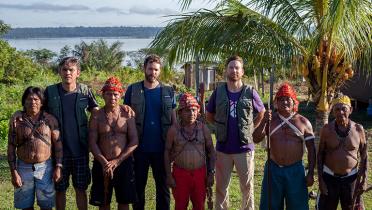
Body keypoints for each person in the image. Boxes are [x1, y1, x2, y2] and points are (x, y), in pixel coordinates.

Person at [206, 55, 265, 210]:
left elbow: (261, 112)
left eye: (237, 67)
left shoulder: (250, 91)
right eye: (231, 67)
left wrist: (251, 128)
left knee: (247, 187)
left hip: (244, 148)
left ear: (242, 71)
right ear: (226, 70)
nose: (234, 70)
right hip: (223, 148)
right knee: (221, 187)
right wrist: (220, 127)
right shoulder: (218, 92)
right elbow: (209, 114)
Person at [44, 57, 99, 210]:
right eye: (64, 70)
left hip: (80, 150)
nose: (68, 73)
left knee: (81, 189)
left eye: (71, 70)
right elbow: (36, 110)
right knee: (59, 189)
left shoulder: (85, 91)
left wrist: (121, 109)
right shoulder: (50, 91)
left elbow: (96, 110)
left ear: (78, 73)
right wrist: (19, 114)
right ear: (59, 72)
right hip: (57, 151)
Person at [124, 54, 176, 210]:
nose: (152, 72)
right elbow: (125, 119)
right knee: (138, 187)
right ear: (144, 69)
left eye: (156, 70)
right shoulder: (133, 90)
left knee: (163, 188)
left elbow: (174, 120)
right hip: (139, 149)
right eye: (150, 69)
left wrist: (174, 144)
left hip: (162, 149)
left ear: (159, 71)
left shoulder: (168, 90)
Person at [253, 83, 316, 210]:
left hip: (296, 171)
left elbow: (312, 150)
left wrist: (310, 173)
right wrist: (264, 121)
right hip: (273, 169)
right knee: (271, 205)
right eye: (281, 99)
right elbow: (255, 138)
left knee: (298, 205)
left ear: (294, 102)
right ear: (276, 103)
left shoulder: (303, 122)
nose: (285, 102)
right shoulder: (271, 120)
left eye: (288, 99)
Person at [7, 86, 63, 210]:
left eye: (36, 99)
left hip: (45, 168)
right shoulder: (17, 121)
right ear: (24, 102)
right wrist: (14, 172)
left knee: (46, 205)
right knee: (26, 206)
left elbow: (58, 145)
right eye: (29, 99)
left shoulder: (50, 120)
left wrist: (58, 167)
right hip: (23, 167)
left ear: (42, 102)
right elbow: (11, 147)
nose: (32, 102)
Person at [89, 77, 139, 210]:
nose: (112, 97)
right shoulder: (96, 116)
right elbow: (92, 142)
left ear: (120, 95)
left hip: (124, 163)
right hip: (101, 164)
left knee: (124, 201)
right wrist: (104, 162)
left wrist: (117, 161)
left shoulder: (127, 114)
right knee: (103, 201)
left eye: (115, 94)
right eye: (109, 94)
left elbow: (134, 140)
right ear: (103, 95)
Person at [164, 93, 216, 210]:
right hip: (180, 174)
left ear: (198, 112)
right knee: (180, 205)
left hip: (200, 174)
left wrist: (211, 172)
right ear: (180, 113)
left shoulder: (203, 128)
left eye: (194, 110)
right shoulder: (174, 130)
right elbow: (167, 152)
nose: (191, 113)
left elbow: (211, 152)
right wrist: (169, 175)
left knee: (199, 205)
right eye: (187, 110)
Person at [317, 95, 368, 210]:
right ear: (332, 112)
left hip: (351, 179)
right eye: (337, 109)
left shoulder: (358, 129)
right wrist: (321, 181)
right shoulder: (326, 130)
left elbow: (364, 156)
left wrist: (364, 180)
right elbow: (320, 155)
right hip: (329, 178)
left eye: (344, 109)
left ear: (350, 110)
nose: (340, 112)